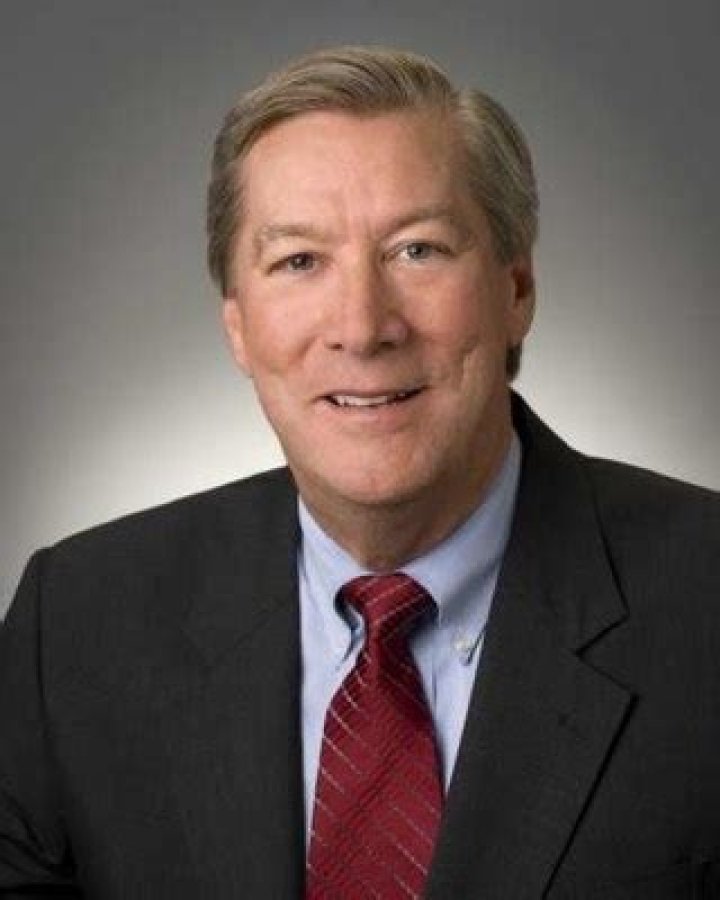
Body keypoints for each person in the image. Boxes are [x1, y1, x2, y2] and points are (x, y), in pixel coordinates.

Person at [1, 45, 718, 900]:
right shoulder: (77, 625)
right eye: (299, 261)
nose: (363, 326)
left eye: (418, 250)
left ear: (516, 290)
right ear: (238, 326)